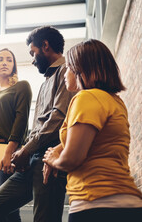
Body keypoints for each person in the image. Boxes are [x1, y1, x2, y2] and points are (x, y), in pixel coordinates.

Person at [0, 26, 75, 222]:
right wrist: (27, 151)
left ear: (45, 46)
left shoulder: (66, 71)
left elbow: (58, 118)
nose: (32, 59)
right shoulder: (45, 82)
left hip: (49, 157)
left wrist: (25, 148)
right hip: (32, 158)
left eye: (33, 52)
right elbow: (38, 125)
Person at [42, 39, 142, 222]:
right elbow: (96, 140)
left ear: (82, 69)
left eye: (69, 67)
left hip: (96, 203)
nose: (65, 72)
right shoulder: (113, 100)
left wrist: (53, 159)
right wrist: (58, 148)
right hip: (126, 202)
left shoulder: (86, 98)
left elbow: (72, 159)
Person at [0, 48, 32, 221]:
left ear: (14, 65)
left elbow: (21, 120)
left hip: (6, 147)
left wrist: (10, 151)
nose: (4, 63)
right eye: (0, 59)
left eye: (9, 60)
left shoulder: (21, 87)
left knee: (7, 205)